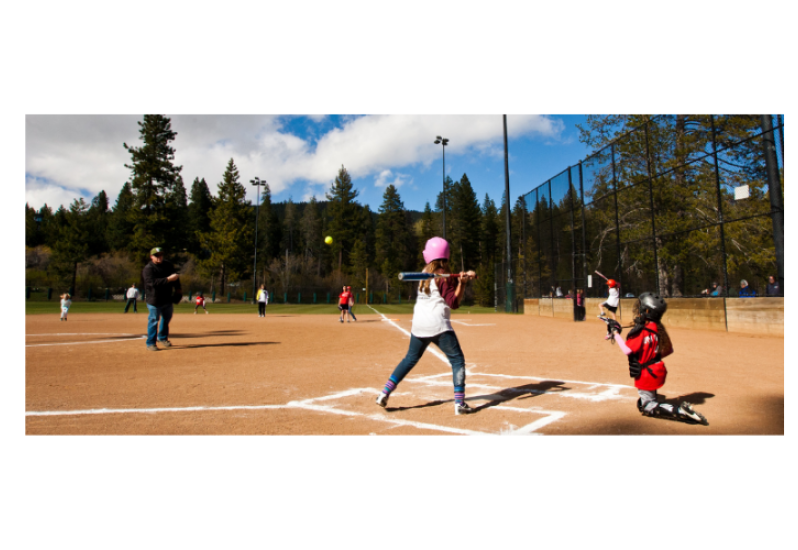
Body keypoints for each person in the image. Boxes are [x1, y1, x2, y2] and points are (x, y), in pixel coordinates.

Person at [375, 237, 477, 415]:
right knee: (457, 361)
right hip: (439, 326)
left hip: (419, 326)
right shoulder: (442, 277)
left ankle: (384, 392)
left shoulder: (426, 273)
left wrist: (464, 276)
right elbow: (453, 302)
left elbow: (452, 292)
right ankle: (459, 404)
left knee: (409, 360)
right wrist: (461, 283)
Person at [604, 292, 705, 423]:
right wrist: (652, 356)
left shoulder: (643, 330)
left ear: (647, 311)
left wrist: (615, 333)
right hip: (658, 369)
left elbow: (627, 350)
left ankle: (680, 411)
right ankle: (653, 399)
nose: (638, 310)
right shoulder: (658, 328)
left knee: (647, 407)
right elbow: (669, 350)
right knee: (644, 400)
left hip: (646, 374)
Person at [142, 247, 181, 351]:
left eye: (161, 255)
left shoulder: (168, 265)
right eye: (156, 255)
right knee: (154, 320)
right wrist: (168, 279)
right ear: (151, 257)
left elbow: (175, 278)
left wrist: (178, 289)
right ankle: (150, 343)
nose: (159, 257)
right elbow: (152, 283)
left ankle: (162, 338)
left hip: (167, 298)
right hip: (154, 299)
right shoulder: (149, 268)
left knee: (166, 318)